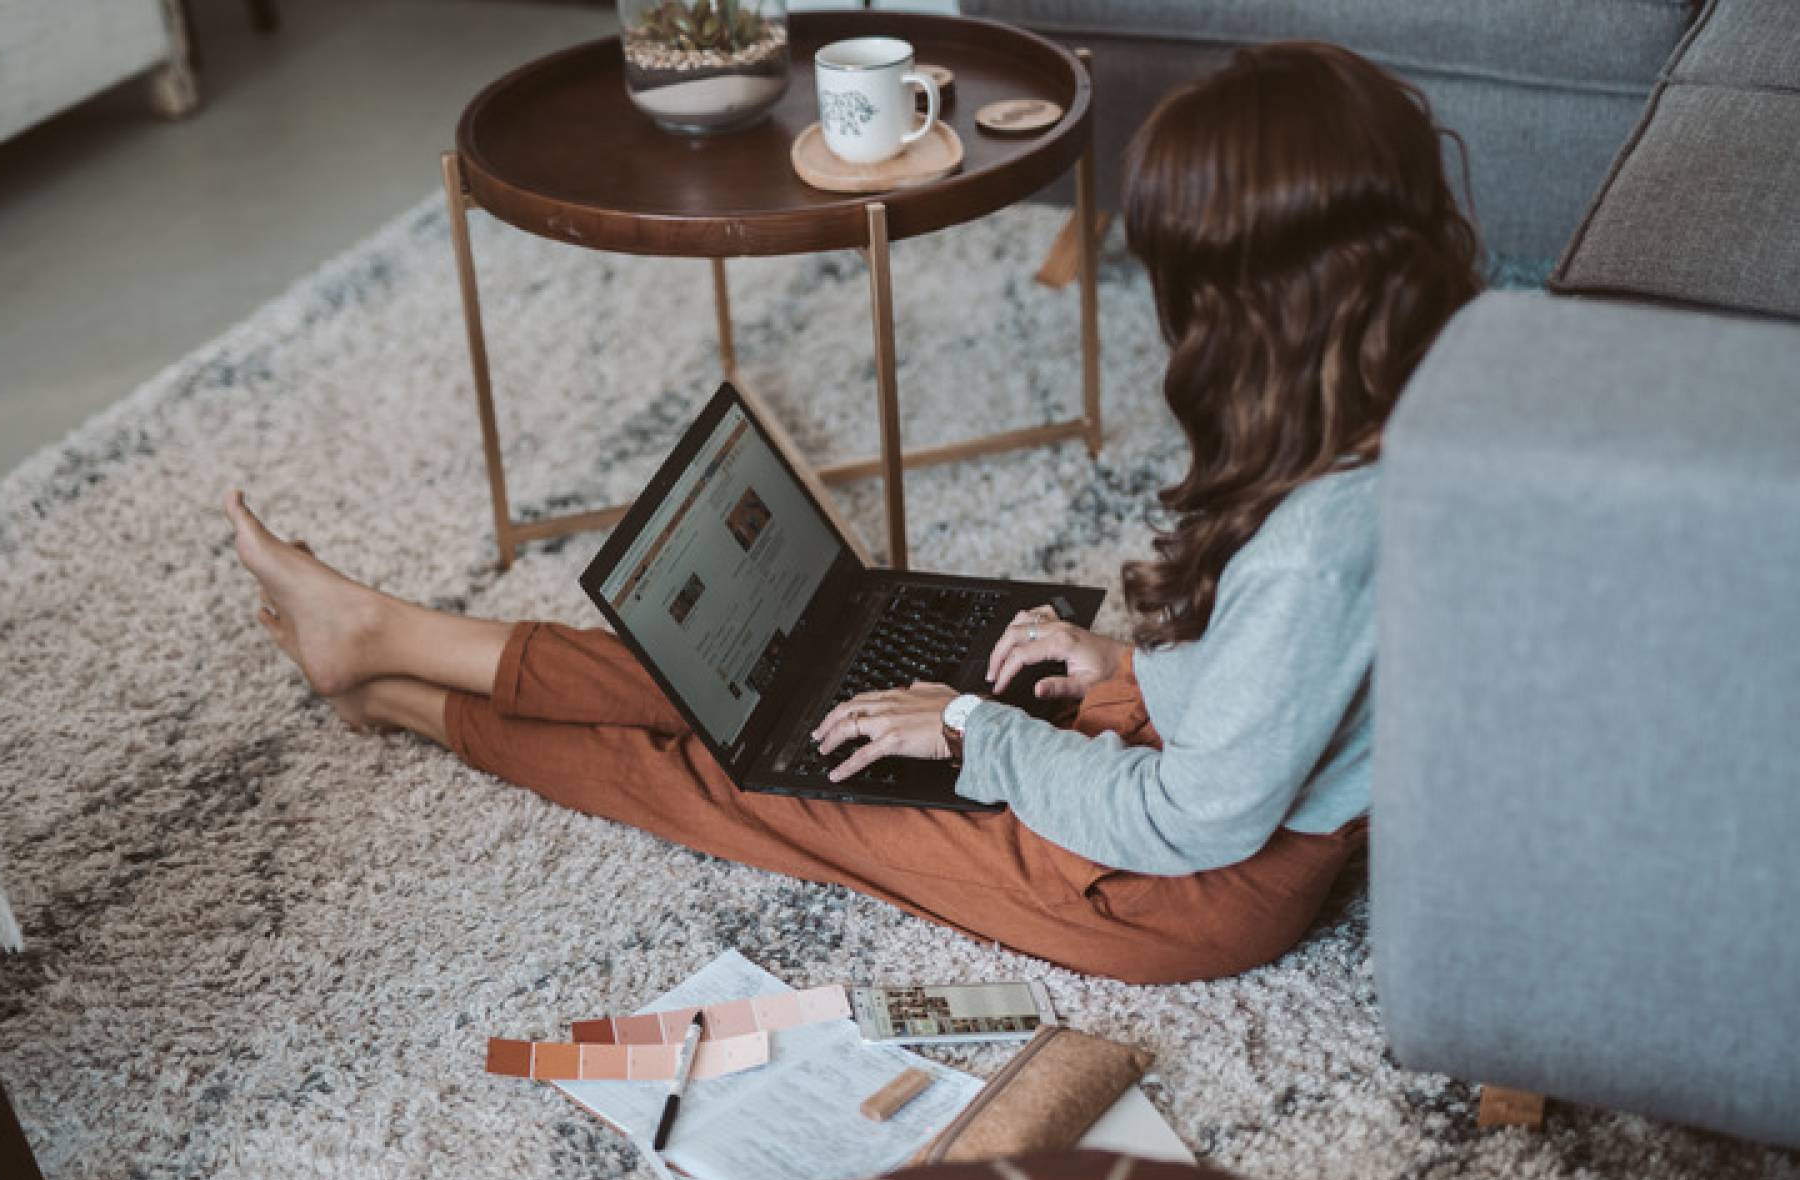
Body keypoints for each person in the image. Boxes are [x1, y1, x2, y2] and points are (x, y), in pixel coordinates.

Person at [223, 41, 1482, 985]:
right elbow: (1292, 681)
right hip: (1184, 758)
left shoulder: (1326, 541)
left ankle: (408, 698)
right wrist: (1126, 668)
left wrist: (979, 740)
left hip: (1170, 887)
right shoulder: (1416, 401)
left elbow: (1195, 818)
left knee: (763, 785)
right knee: (780, 681)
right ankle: (388, 635)